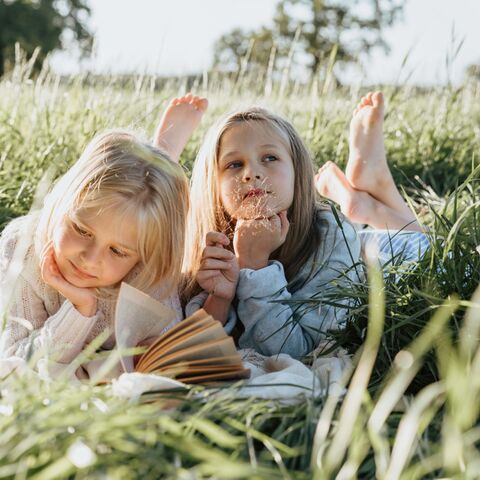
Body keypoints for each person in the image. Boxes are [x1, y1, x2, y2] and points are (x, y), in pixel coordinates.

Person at [181, 91, 428, 360]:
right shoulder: (211, 246)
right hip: (362, 242)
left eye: (269, 158)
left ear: (298, 173)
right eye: (234, 164)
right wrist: (219, 299)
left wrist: (254, 266)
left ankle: (372, 189)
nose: (251, 172)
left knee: (420, 243)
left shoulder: (331, 234)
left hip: (389, 262)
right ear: (212, 186)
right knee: (372, 233)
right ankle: (365, 200)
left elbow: (297, 351)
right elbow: (197, 352)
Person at [0, 122, 192, 365]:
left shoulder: (150, 267)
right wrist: (81, 310)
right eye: (82, 230)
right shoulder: (22, 246)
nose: (90, 259)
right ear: (63, 204)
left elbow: (163, 358)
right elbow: (14, 363)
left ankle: (166, 151)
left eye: (118, 251)